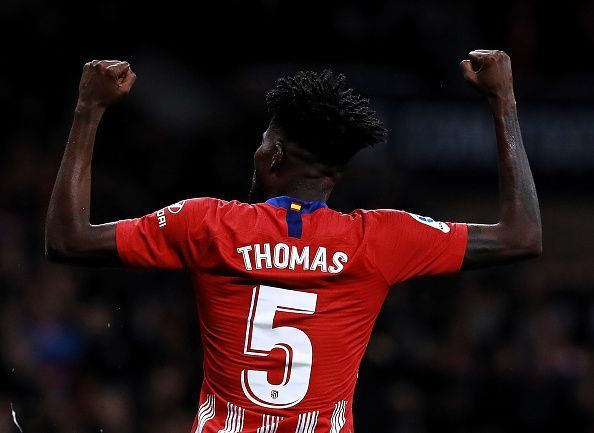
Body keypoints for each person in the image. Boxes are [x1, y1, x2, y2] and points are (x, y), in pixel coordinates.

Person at [45, 51, 542, 433]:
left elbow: (68, 240)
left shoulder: (208, 225)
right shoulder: (381, 238)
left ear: (276, 156)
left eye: (263, 140)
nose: (257, 151)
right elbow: (521, 236)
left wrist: (89, 109)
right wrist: (504, 102)